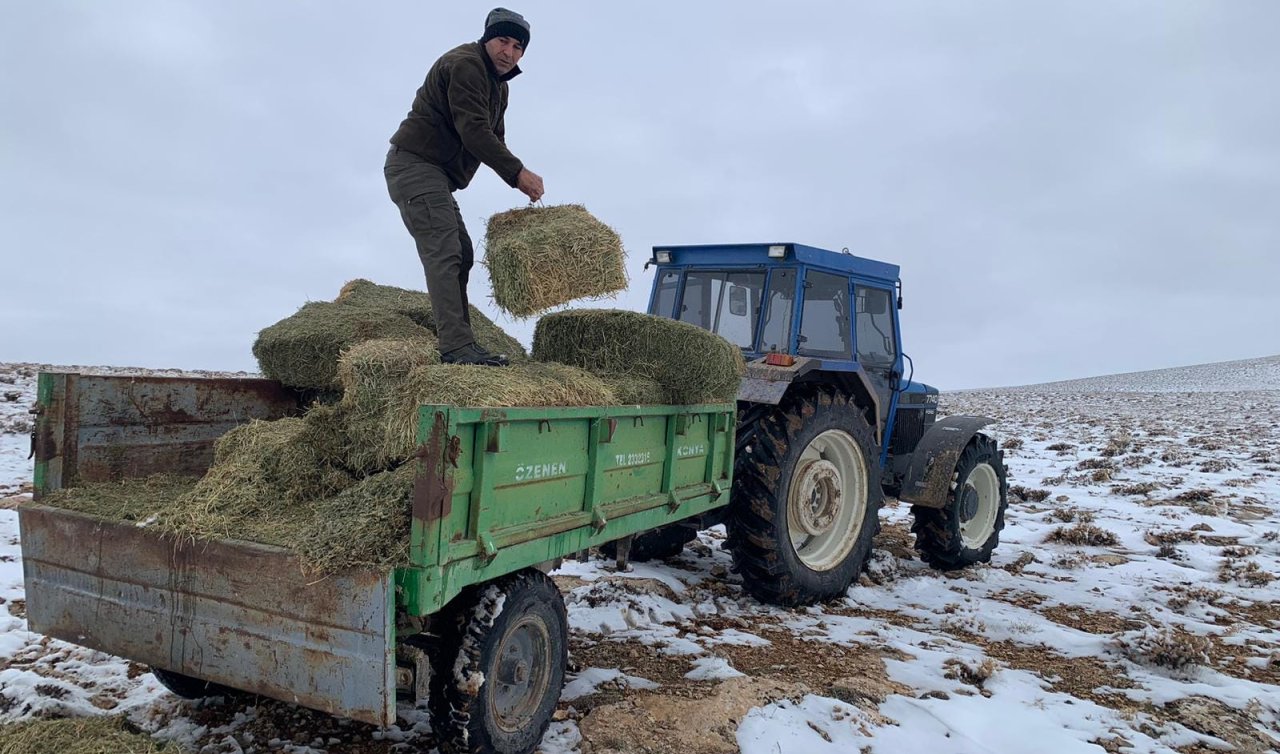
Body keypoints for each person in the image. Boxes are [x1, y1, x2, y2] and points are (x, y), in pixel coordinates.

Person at [384, 8, 544, 367]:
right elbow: (474, 131)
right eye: (503, 41)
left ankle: (462, 344)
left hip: (435, 174)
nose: (510, 53)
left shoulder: (498, 87)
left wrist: (517, 179)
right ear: (488, 38)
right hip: (414, 165)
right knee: (446, 251)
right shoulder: (466, 65)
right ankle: (456, 349)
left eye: (518, 47)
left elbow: (494, 137)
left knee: (463, 251)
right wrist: (518, 173)